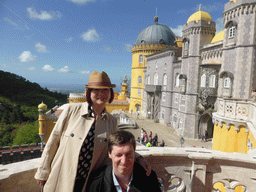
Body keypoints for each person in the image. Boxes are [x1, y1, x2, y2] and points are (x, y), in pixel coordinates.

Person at [34, 71, 151, 192]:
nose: (101, 94)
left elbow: (117, 147)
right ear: (89, 93)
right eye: (96, 90)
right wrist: (42, 172)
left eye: (106, 90)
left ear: (111, 93)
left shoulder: (111, 121)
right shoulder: (71, 111)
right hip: (62, 177)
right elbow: (53, 141)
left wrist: (139, 158)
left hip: (88, 183)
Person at [87, 130, 161, 192]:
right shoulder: (96, 183)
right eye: (118, 155)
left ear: (134, 153)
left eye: (128, 154)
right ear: (109, 154)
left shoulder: (149, 178)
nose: (124, 161)